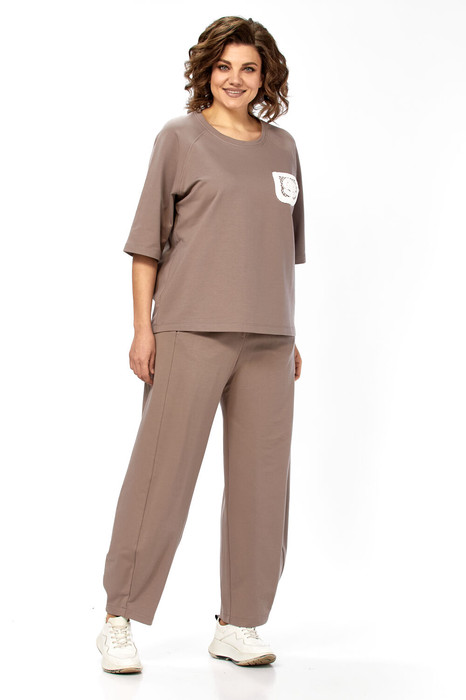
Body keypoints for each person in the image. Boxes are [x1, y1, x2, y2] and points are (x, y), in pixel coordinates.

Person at [96, 15, 306, 673]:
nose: (235, 79)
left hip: (269, 339)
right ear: (206, 71)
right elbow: (147, 245)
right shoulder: (179, 138)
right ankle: (119, 618)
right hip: (189, 330)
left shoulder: (284, 149)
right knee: (161, 477)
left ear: (265, 76)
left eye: (249, 68)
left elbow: (279, 252)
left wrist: (292, 334)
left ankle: (238, 623)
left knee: (262, 486)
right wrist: (143, 328)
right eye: (224, 67)